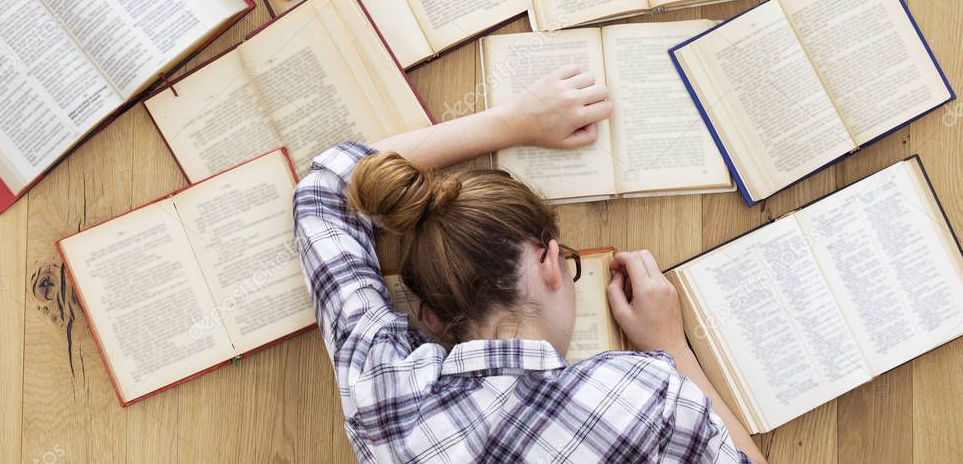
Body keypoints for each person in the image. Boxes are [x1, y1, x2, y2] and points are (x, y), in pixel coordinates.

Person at [294, 65, 766, 463]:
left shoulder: (387, 399)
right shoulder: (647, 394)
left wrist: (509, 123)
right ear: (549, 263)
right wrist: (670, 346)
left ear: (432, 319)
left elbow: (327, 192)